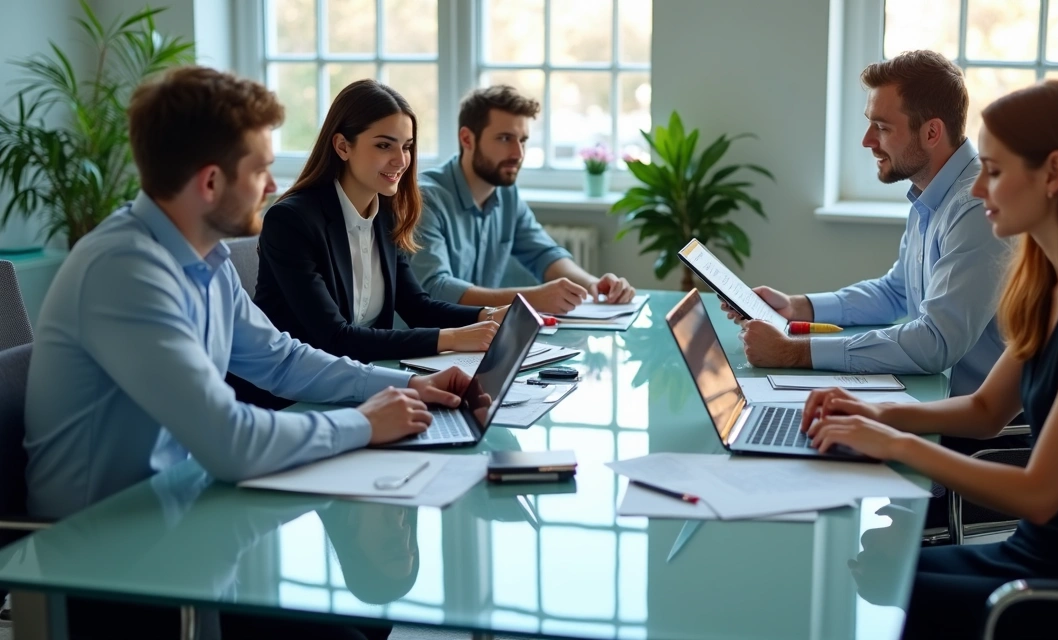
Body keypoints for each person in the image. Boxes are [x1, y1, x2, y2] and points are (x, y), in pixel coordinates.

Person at [22, 66, 469, 638]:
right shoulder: (126, 270)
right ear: (210, 182)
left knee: (362, 622)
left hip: (188, 526)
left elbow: (280, 358)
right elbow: (231, 441)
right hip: (113, 565)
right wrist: (362, 423)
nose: (270, 185)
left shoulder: (203, 260)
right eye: (259, 169)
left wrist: (404, 388)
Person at [802, 80, 1058, 639]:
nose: (979, 189)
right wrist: (871, 413)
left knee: (884, 590)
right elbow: (985, 409)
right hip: (1035, 552)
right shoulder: (1049, 276)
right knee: (875, 579)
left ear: (1053, 174)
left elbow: (1039, 491)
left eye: (995, 170)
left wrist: (895, 444)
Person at [725, 50, 1007, 399]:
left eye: (882, 127)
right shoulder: (932, 191)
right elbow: (896, 292)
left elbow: (935, 342)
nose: (867, 140)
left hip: (980, 433)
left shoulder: (976, 206)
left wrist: (794, 351)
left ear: (932, 132)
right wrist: (798, 307)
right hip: (941, 404)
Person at [254, 80, 506, 369]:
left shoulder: (385, 214)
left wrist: (489, 315)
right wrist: (451, 338)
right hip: (295, 390)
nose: (401, 161)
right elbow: (334, 338)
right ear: (342, 146)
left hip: (361, 377)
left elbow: (417, 307)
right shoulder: (292, 221)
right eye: (384, 145)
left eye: (407, 147)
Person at [411, 84, 636, 314]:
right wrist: (530, 299)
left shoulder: (506, 194)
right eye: (505, 138)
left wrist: (592, 284)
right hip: (425, 344)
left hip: (477, 338)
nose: (518, 154)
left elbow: (544, 254)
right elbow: (435, 289)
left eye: (523, 140)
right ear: (467, 139)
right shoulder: (425, 198)